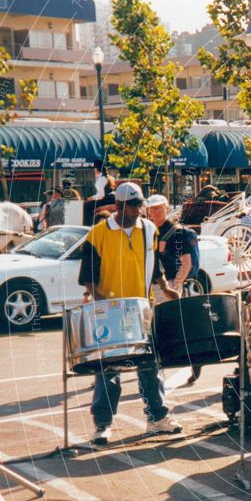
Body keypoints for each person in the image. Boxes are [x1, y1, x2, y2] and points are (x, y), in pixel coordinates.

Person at [78, 183, 183, 445]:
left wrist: (166, 288)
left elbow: (153, 263)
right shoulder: (97, 234)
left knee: (149, 363)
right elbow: (88, 276)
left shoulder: (149, 229)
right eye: (134, 205)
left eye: (140, 205)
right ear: (119, 206)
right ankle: (103, 424)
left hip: (141, 306)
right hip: (109, 309)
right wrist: (98, 301)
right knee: (108, 368)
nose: (140, 210)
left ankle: (157, 417)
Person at [146, 194, 202, 385]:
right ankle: (159, 366)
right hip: (157, 285)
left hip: (172, 284)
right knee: (159, 327)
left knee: (182, 327)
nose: (156, 212)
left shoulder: (176, 233)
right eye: (152, 209)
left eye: (159, 208)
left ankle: (195, 362)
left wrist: (175, 285)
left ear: (167, 208)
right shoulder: (149, 232)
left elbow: (186, 263)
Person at [84, 160, 116, 226]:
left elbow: (101, 195)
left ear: (96, 169)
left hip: (107, 200)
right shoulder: (109, 177)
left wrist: (91, 198)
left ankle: (87, 225)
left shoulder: (101, 179)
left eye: (94, 169)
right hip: (111, 198)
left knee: (86, 206)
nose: (93, 170)